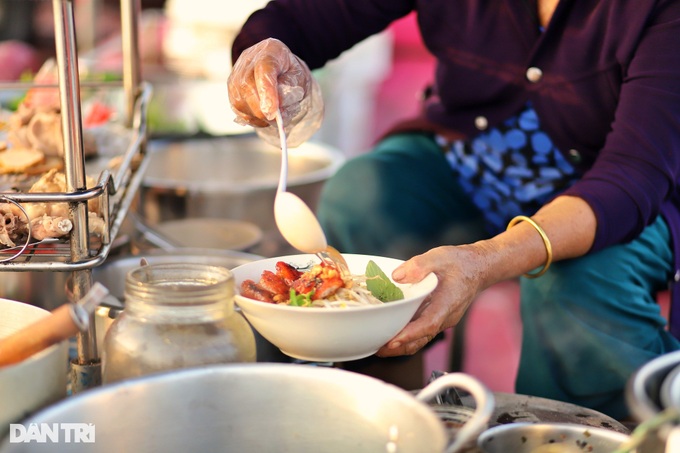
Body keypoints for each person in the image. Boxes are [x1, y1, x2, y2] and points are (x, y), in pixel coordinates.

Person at [226, 0, 680, 420]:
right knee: (364, 195)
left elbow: (632, 178)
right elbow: (308, 18)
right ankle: (385, 415)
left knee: (576, 281)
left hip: (620, 198)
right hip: (468, 161)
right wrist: (263, 54)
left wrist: (486, 260)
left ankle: (590, 432)